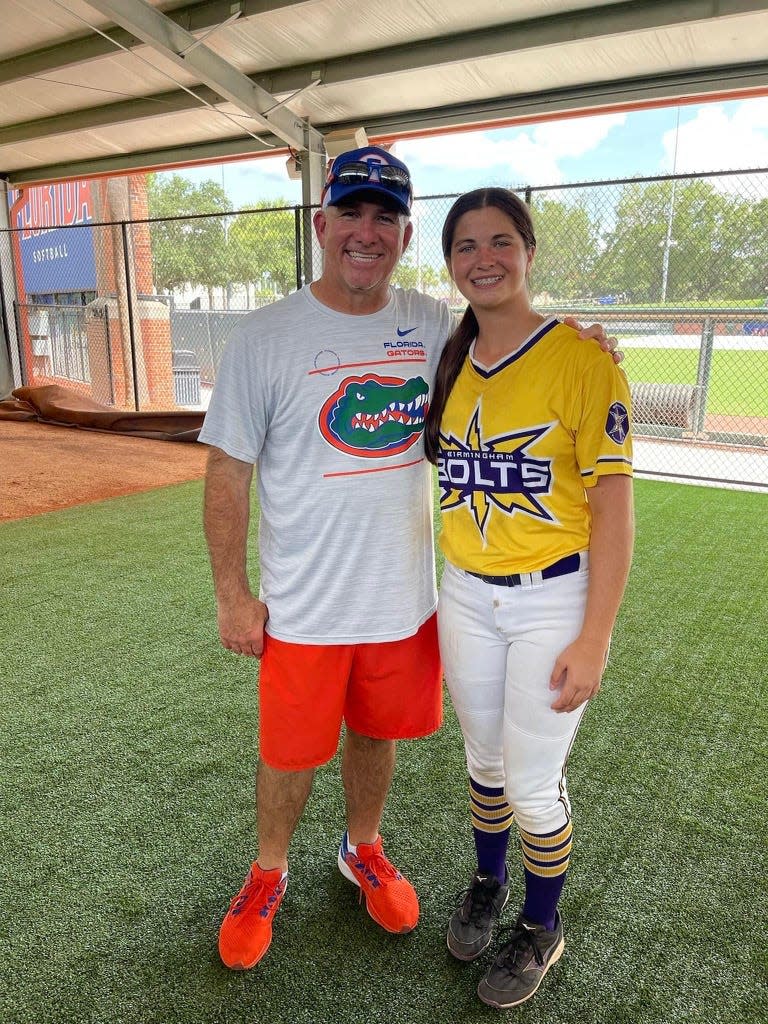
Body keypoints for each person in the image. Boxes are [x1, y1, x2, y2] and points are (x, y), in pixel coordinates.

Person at [199, 147, 619, 972]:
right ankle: (267, 872)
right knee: (289, 750)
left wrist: (587, 339)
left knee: (375, 735)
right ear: (321, 225)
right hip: (302, 606)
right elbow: (227, 470)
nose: (366, 232)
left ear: (404, 234)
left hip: (406, 603)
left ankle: (363, 848)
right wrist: (231, 592)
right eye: (350, 213)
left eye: (384, 217)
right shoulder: (265, 335)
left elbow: (514, 336)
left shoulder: (436, 325)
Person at [423, 187, 634, 1008]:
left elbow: (614, 514)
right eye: (467, 244)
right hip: (465, 595)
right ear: (450, 264)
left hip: (552, 600)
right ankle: (488, 880)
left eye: (502, 240)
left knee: (531, 785)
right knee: (481, 761)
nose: (485, 257)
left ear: (529, 251)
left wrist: (597, 636)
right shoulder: (446, 360)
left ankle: (543, 924)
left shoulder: (584, 359)